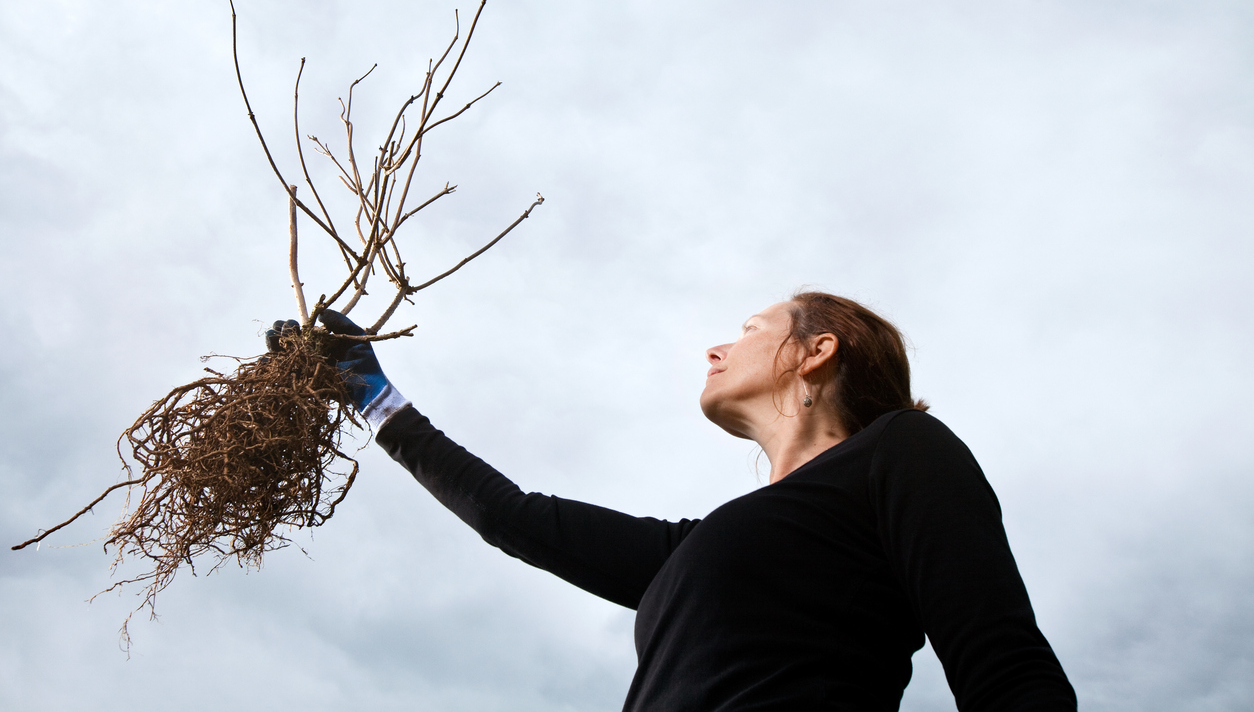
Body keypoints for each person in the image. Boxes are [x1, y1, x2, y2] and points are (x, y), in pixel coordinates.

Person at [269, 291, 1077, 711]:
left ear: (816, 351)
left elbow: (1002, 663)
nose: (717, 346)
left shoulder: (901, 453)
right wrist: (374, 398)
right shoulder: (698, 547)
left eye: (752, 327)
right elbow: (513, 519)